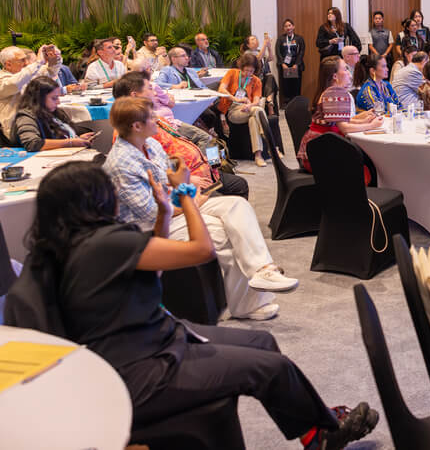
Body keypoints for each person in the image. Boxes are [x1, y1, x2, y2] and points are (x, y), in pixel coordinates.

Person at [6, 160, 378, 449]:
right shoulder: (106, 243)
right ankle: (323, 434)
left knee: (263, 343)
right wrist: (184, 193)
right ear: (95, 199)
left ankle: (315, 431)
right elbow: (201, 250)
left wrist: (165, 214)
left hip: (137, 344)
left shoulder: (54, 251)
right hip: (145, 366)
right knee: (272, 368)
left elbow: (151, 271)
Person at [103, 97, 297, 320]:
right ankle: (246, 303)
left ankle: (264, 270)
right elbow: (152, 214)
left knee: (237, 205)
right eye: (151, 116)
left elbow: (168, 177)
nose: (158, 119)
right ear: (136, 126)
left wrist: (187, 184)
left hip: (174, 206)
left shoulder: (151, 144)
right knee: (221, 233)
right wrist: (190, 203)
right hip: (149, 227)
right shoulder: (122, 164)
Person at [113, 73, 249, 199]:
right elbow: (150, 170)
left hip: (195, 163)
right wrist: (188, 179)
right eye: (150, 88)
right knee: (207, 137)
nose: (155, 92)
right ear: (135, 95)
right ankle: (217, 168)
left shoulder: (152, 118)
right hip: (187, 182)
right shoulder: (134, 129)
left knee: (211, 141)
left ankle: (217, 166)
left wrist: (205, 163)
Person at [297, 57, 382, 172]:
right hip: (322, 155)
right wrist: (372, 126)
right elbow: (344, 128)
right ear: (335, 76)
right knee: (367, 168)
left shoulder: (330, 91)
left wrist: (363, 121)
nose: (349, 73)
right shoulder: (335, 93)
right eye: (345, 69)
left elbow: (339, 121)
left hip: (317, 151)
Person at [218, 53, 275, 167]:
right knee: (257, 111)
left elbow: (256, 100)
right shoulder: (232, 73)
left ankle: (258, 155)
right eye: (246, 70)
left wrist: (250, 105)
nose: (248, 73)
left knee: (254, 118)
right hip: (233, 110)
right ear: (241, 67)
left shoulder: (256, 81)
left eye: (251, 71)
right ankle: (269, 142)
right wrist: (234, 98)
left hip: (248, 108)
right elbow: (221, 89)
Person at [12, 77, 96, 151]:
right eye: (54, 98)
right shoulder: (26, 116)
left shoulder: (55, 112)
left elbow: (60, 138)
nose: (58, 102)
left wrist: (78, 138)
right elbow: (33, 144)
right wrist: (70, 142)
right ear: (39, 98)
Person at [0, 44, 59, 139]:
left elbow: (48, 72)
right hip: (15, 130)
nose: (27, 63)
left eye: (26, 59)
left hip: (35, 123)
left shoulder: (23, 75)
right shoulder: (3, 80)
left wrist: (54, 60)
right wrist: (38, 62)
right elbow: (16, 82)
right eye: (22, 60)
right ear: (8, 64)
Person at [274, 18, 305, 107]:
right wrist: (282, 64)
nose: (288, 27)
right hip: (285, 66)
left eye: (289, 25)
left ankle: (296, 103)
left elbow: (302, 52)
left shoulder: (299, 38)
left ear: (293, 26)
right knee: (286, 85)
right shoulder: (281, 39)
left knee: (296, 84)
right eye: (286, 26)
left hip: (296, 65)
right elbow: (278, 52)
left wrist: (296, 64)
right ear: (284, 28)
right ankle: (287, 103)